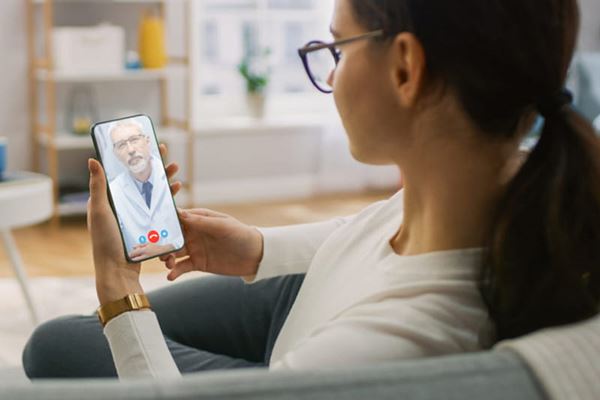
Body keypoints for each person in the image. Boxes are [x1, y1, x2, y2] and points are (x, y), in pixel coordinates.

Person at [23, 0, 600, 392]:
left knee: (58, 345)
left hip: (309, 350)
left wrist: (119, 285)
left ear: (405, 69)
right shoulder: (501, 182)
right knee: (79, 338)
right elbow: (377, 224)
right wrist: (254, 248)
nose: (329, 69)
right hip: (308, 300)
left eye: (336, 48)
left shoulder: (396, 342)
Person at [107, 120, 184, 261]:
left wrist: (169, 247)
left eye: (134, 140)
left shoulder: (168, 175)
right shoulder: (113, 190)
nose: (130, 150)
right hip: (135, 260)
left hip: (177, 257)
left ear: (147, 141)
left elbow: (184, 233)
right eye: (121, 145)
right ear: (116, 153)